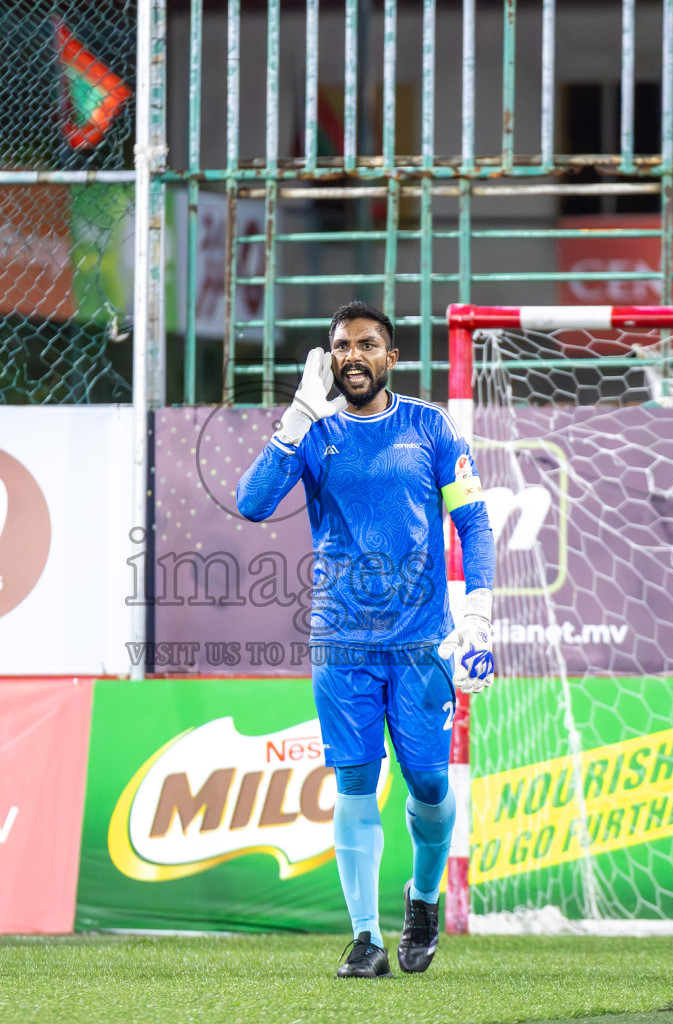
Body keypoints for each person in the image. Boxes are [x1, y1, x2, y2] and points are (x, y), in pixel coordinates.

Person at [236, 300, 496, 978]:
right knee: (354, 781)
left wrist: (477, 614)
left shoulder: (431, 427)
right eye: (342, 346)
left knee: (431, 785)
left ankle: (423, 900)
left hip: (420, 645)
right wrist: (295, 417)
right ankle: (365, 938)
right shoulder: (316, 436)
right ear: (329, 359)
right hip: (342, 642)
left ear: (392, 357)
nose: (353, 355)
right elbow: (252, 503)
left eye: (367, 344)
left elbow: (473, 523)